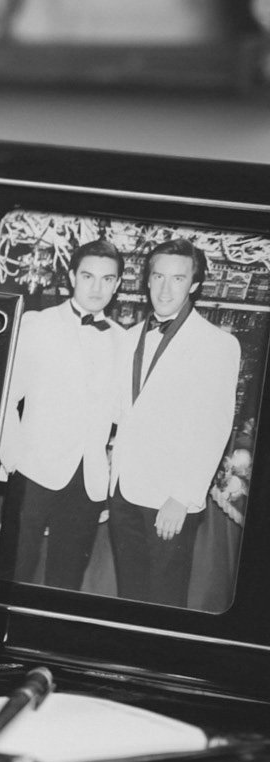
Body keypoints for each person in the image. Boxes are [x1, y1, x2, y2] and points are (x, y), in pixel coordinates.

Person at [106, 238, 240, 608]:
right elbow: (121, 412)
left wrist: (182, 497)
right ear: (147, 280)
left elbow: (215, 428)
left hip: (170, 498)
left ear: (194, 285)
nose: (165, 288)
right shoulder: (130, 337)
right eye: (158, 277)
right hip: (124, 492)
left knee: (165, 599)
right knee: (128, 595)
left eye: (178, 278)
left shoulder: (217, 345)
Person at [0, 239, 123, 589]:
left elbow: (122, 413)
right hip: (33, 471)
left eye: (107, 279)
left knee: (66, 580)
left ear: (117, 284)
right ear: (71, 277)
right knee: (14, 571)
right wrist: (14, 459)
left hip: (88, 480)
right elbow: (5, 396)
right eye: (88, 276)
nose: (97, 287)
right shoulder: (38, 324)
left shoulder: (122, 340)